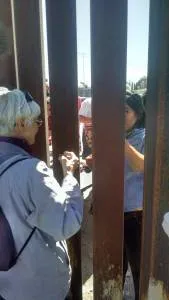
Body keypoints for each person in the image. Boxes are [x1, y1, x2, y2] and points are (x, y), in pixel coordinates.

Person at [0, 88, 83, 300]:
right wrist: (70, 175)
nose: (40, 125)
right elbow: (66, 222)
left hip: (6, 284)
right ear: (19, 123)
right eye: (36, 120)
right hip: (38, 287)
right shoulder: (30, 171)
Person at [123, 93, 145, 299]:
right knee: (116, 265)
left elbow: (141, 165)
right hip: (114, 210)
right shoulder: (125, 137)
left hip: (134, 213)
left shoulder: (144, 136)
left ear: (137, 115)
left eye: (125, 111)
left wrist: (119, 142)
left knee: (138, 267)